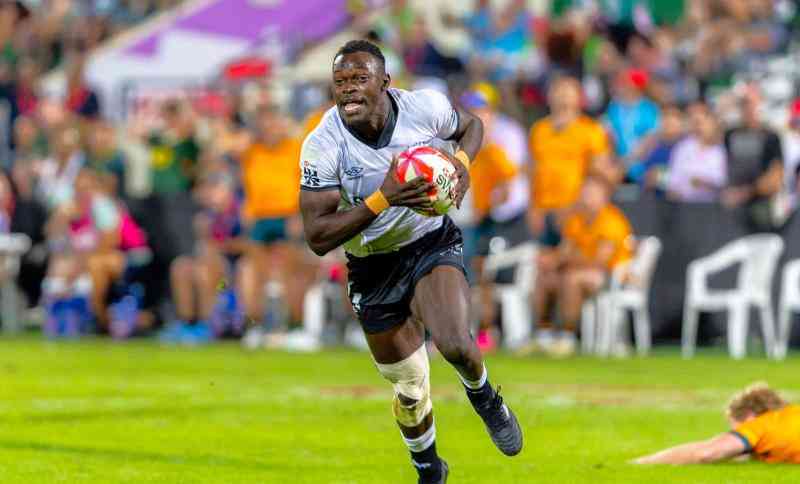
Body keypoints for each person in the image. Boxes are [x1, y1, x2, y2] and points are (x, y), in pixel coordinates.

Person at [299, 40, 522, 484]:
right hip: (371, 264)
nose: (349, 89)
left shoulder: (424, 107)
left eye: (360, 79)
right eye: (341, 82)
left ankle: (485, 398)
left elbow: (472, 125)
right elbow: (318, 236)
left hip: (428, 241)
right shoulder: (322, 144)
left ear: (385, 81)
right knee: (410, 388)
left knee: (455, 342)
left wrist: (461, 164)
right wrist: (383, 199)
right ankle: (429, 468)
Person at [528, 75, 618, 350]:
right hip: (547, 210)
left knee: (570, 270)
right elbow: (534, 171)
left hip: (576, 215)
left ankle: (567, 334)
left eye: (569, 91)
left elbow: (601, 175)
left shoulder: (590, 131)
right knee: (545, 273)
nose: (563, 96)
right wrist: (534, 207)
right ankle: (543, 334)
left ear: (579, 98)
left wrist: (579, 206)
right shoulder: (540, 130)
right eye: (558, 90)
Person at [533, 176, 633, 356]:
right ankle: (543, 335)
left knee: (571, 279)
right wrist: (551, 261)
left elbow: (600, 261)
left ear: (604, 197)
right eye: (584, 193)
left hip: (611, 277)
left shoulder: (612, 221)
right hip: (578, 271)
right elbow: (565, 250)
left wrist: (566, 259)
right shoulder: (576, 220)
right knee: (546, 278)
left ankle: (567, 337)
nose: (585, 198)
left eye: (591, 194)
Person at [634, 382, 800, 464]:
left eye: (735, 428)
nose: (735, 432)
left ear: (749, 417)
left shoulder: (759, 425)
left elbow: (706, 453)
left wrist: (645, 461)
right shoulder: (789, 416)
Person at [722, 87, 784, 232]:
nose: (749, 108)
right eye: (744, 103)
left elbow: (775, 179)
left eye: (753, 104)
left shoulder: (770, 136)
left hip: (759, 207)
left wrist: (745, 192)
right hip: (731, 206)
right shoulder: (730, 134)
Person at [665, 102, 727, 203]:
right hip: (683, 204)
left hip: (711, 204)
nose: (700, 127)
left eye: (703, 122)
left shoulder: (720, 151)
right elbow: (673, 179)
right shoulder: (683, 147)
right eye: (696, 123)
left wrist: (704, 183)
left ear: (712, 124)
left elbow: (721, 182)